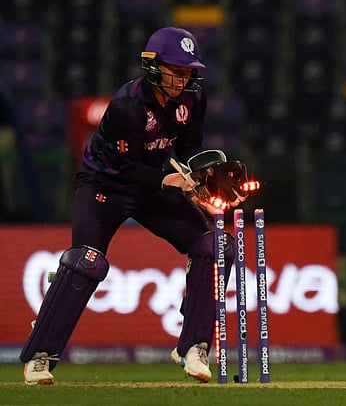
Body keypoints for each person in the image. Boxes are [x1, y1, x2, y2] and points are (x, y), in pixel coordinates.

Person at [20, 27, 245, 385]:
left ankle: (194, 345)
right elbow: (128, 167)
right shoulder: (128, 105)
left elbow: (187, 148)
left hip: (153, 186)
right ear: (153, 66)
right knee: (86, 264)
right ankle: (39, 356)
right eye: (176, 70)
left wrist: (198, 177)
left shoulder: (192, 101)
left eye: (189, 71)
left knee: (215, 245)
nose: (183, 78)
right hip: (105, 185)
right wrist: (168, 181)